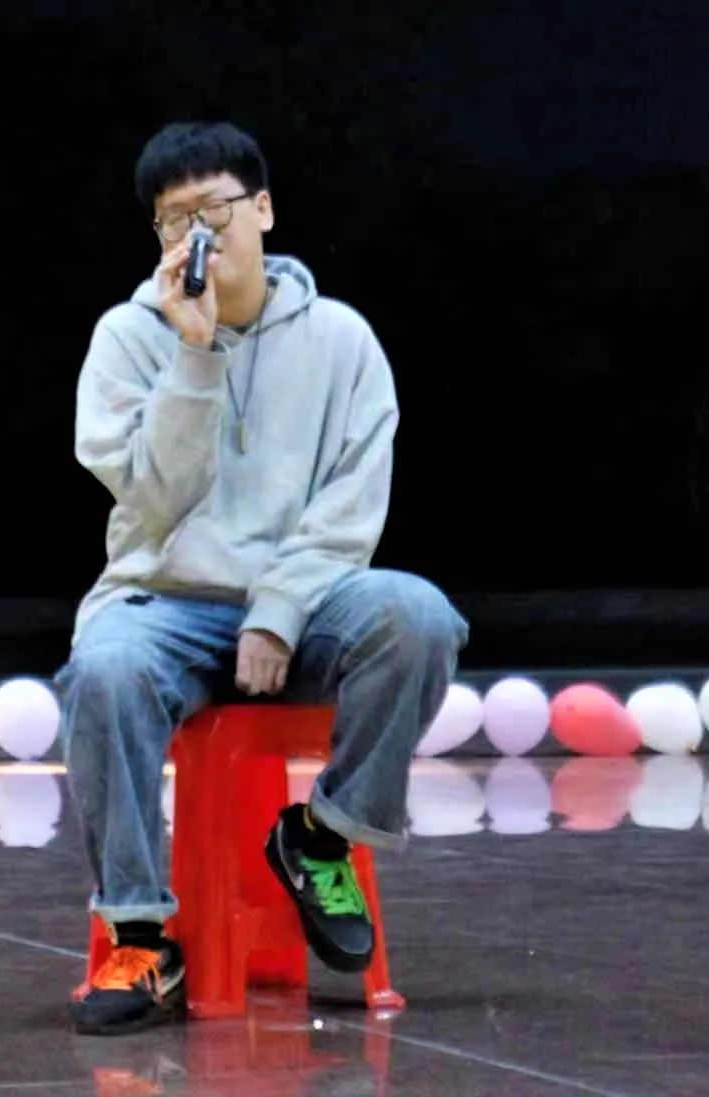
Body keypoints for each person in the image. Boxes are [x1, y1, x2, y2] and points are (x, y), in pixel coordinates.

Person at [54, 121, 468, 1036]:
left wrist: (277, 610)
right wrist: (194, 354)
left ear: (263, 210)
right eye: (174, 221)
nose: (196, 235)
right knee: (105, 669)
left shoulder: (341, 339)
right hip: (163, 599)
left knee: (417, 617)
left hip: (307, 601)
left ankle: (318, 836)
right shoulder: (127, 337)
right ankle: (139, 936)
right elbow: (153, 499)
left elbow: (350, 511)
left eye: (214, 211)